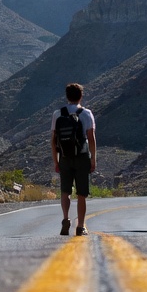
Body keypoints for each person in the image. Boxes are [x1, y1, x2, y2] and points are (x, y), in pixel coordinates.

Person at [51, 82, 96, 236]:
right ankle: (80, 226)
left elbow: (53, 140)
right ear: (81, 96)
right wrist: (93, 159)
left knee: (65, 191)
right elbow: (91, 138)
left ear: (67, 96)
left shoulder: (58, 114)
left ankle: (65, 219)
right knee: (81, 193)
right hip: (82, 157)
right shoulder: (86, 113)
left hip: (64, 157)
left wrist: (56, 161)